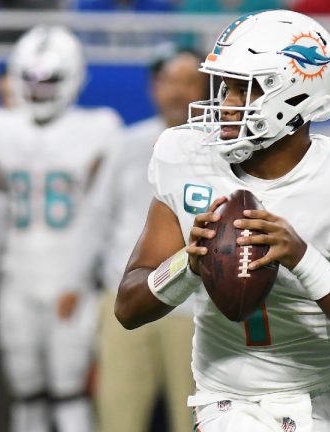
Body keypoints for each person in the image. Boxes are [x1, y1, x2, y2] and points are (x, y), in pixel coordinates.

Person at [115, 10, 330, 431]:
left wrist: (302, 259)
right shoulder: (185, 155)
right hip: (232, 399)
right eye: (223, 86)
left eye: (242, 90)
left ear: (297, 95)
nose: (225, 104)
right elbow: (128, 306)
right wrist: (187, 264)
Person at [0, 25, 123, 432]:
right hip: (16, 277)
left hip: (68, 279)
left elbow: (100, 218)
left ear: (73, 77)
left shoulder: (99, 128)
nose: (39, 90)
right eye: (32, 81)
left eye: (49, 81)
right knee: (25, 398)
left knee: (69, 394)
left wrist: (79, 278)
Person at [73, 48, 207, 432]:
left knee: (196, 421)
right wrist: (83, 289)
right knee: (117, 416)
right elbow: (96, 217)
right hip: (126, 299)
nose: (177, 92)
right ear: (154, 88)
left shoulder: (223, 147)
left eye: (188, 82)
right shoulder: (126, 143)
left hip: (195, 306)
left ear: (207, 89)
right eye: (169, 82)